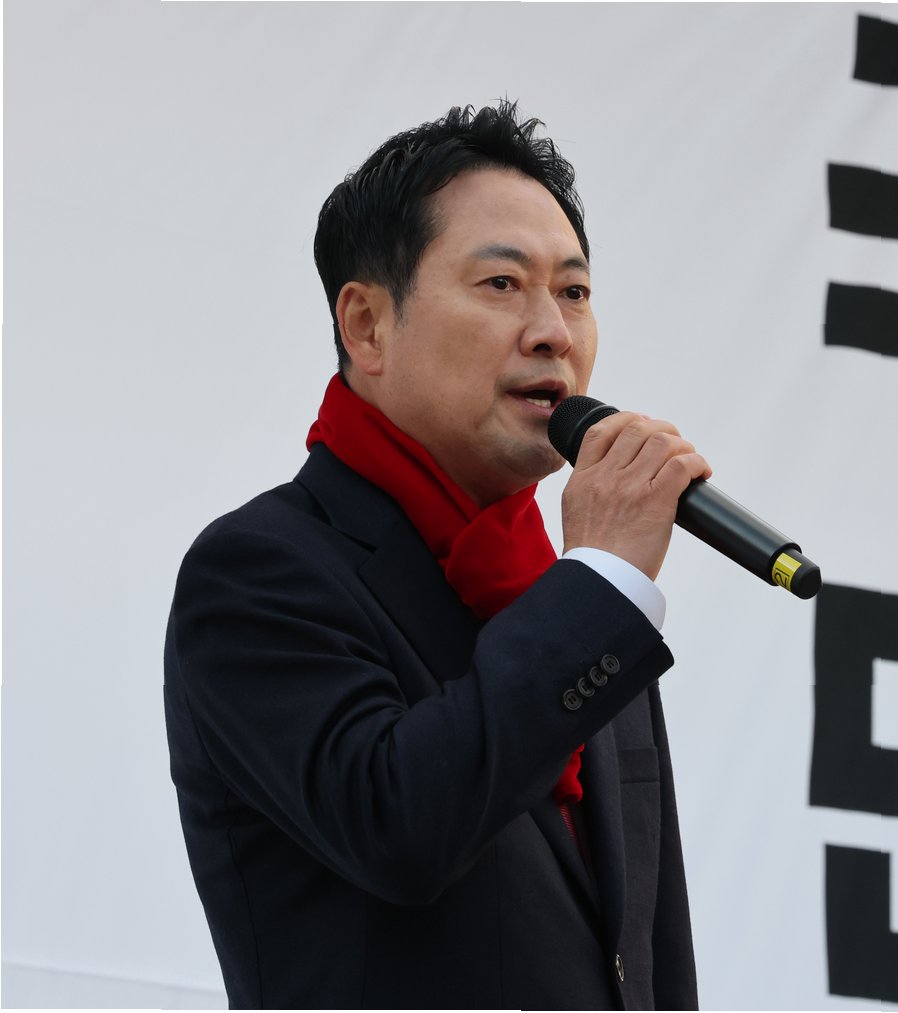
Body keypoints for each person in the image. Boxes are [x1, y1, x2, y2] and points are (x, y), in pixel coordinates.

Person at [164, 100, 709, 1009]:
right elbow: (397, 826)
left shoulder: (577, 603)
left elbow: (648, 961)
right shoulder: (261, 572)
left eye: (574, 292)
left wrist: (597, 590)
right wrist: (600, 584)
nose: (553, 330)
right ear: (368, 327)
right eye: (502, 283)